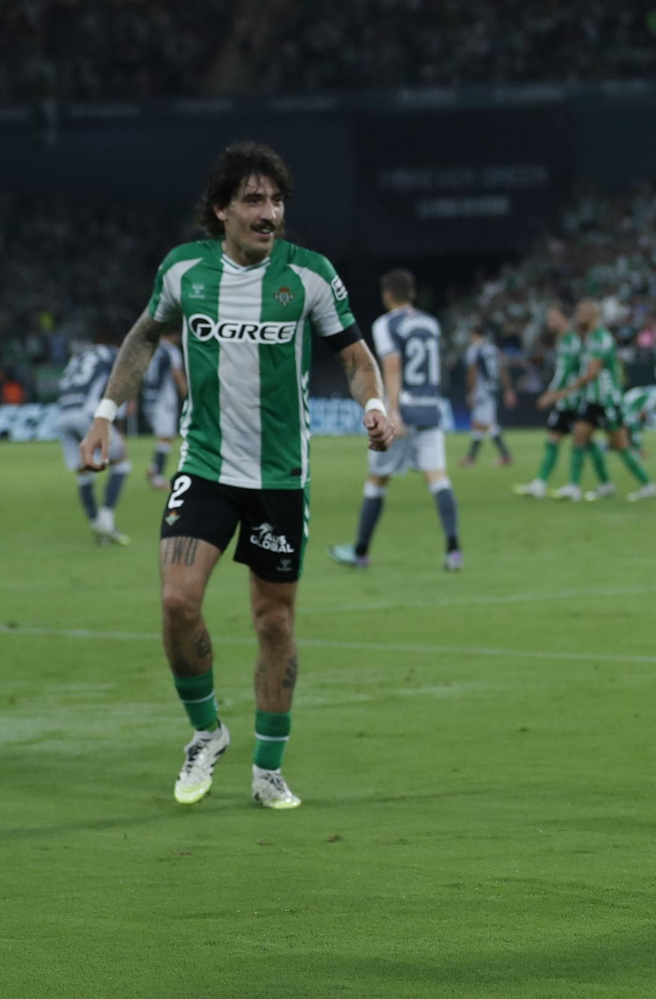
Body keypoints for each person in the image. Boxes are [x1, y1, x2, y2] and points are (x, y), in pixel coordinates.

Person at [78, 141, 394, 810]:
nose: (269, 211)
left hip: (281, 475)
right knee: (175, 600)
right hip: (207, 463)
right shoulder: (184, 270)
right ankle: (207, 731)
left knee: (273, 621)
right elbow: (141, 335)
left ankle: (268, 769)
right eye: (253, 199)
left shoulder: (308, 275)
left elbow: (357, 355)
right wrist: (105, 413)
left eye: (276, 200)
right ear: (220, 208)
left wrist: (373, 404)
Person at [330, 269, 464, 571]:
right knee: (439, 479)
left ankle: (360, 552)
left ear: (387, 295)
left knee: (377, 480)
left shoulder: (386, 325)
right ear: (412, 293)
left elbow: (392, 366)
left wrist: (392, 411)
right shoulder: (431, 324)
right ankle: (453, 551)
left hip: (403, 409)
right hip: (431, 408)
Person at [539, 300, 656, 502]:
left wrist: (565, 391)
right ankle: (578, 487)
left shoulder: (601, 337)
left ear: (593, 314)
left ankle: (647, 484)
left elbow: (593, 372)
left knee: (619, 445)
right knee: (579, 437)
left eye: (581, 312)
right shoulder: (590, 337)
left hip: (607, 401)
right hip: (594, 400)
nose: (578, 316)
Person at [513, 302, 604, 498]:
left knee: (580, 441)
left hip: (572, 399)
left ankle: (575, 486)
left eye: (553, 317)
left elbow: (565, 373)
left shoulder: (570, 341)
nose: (549, 321)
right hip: (569, 398)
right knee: (564, 439)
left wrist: (551, 394)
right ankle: (543, 483)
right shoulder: (566, 339)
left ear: (564, 318)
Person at [56, 337, 131, 545]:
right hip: (88, 414)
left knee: (83, 470)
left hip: (62, 414)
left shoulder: (78, 358)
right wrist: (120, 424)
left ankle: (95, 524)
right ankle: (106, 520)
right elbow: (119, 384)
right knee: (121, 462)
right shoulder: (113, 354)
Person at [460, 325, 517, 467]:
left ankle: (505, 455)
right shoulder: (493, 350)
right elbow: (502, 370)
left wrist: (470, 392)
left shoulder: (474, 350)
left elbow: (472, 372)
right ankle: (471, 458)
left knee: (489, 424)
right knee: (478, 424)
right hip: (493, 390)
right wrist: (508, 389)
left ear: (474, 335)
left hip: (481, 391)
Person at [143, 331, 187, 489]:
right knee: (165, 437)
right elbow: (177, 374)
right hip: (164, 399)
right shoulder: (171, 351)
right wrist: (188, 397)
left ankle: (154, 468)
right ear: (174, 335)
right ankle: (157, 478)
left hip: (149, 398)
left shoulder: (153, 348)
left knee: (165, 437)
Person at [621, 383, 656, 458]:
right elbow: (642, 414)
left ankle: (608, 446)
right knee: (634, 426)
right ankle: (638, 450)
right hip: (626, 407)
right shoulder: (653, 400)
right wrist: (644, 422)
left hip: (625, 406)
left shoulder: (649, 395)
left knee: (624, 430)